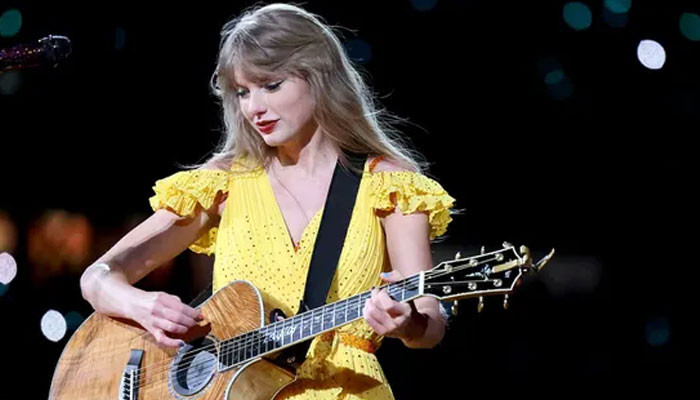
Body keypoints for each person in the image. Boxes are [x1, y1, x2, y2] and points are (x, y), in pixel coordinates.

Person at [79, 3, 455, 399]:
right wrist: (142, 306)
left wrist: (407, 323)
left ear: (320, 77)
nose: (254, 108)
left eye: (271, 86)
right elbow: (97, 278)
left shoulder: (390, 185)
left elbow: (430, 321)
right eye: (243, 92)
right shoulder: (223, 183)